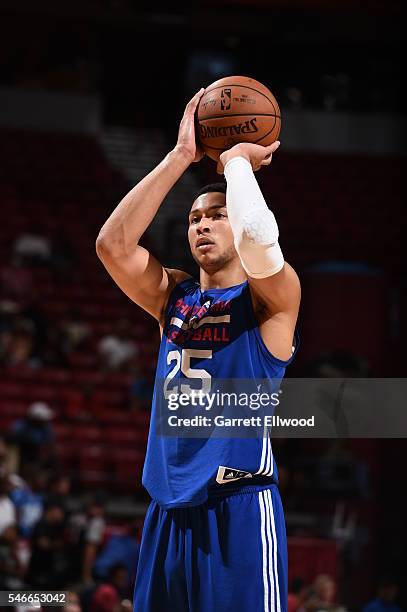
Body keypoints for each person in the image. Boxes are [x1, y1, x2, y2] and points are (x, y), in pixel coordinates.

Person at [96, 89, 301, 611]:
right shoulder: (174, 297)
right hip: (167, 508)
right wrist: (179, 158)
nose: (202, 225)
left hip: (237, 506)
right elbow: (112, 246)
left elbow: (259, 238)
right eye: (193, 219)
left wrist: (236, 163)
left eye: (216, 215)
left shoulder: (271, 300)